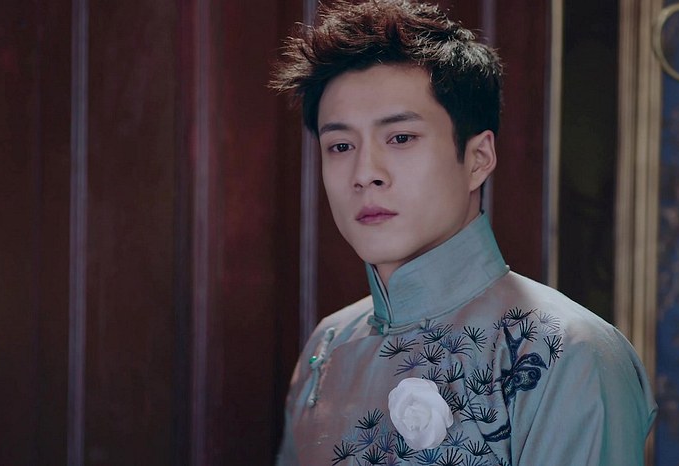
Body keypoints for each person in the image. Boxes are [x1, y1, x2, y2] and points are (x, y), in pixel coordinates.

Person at [270, 1, 657, 464]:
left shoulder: (568, 351)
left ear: (478, 159)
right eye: (340, 145)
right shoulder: (328, 346)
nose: (365, 173)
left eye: (401, 138)